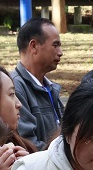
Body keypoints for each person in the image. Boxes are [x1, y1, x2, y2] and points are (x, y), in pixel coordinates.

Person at [12, 18, 65, 151]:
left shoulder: (50, 87)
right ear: (34, 46)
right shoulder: (15, 87)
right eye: (55, 45)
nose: (60, 52)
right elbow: (28, 142)